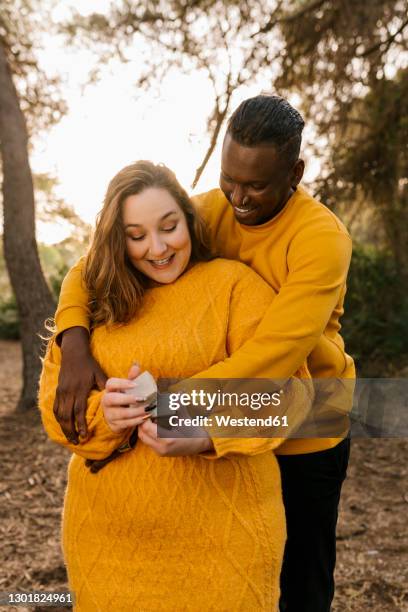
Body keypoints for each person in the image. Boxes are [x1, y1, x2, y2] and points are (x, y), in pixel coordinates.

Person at [52, 94, 354, 612]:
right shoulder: (212, 209)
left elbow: (272, 357)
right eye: (228, 179)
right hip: (225, 410)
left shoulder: (321, 240)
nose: (238, 197)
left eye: (256, 185)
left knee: (301, 581)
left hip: (307, 416)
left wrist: (166, 405)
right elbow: (93, 262)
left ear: (296, 172)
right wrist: (73, 339)